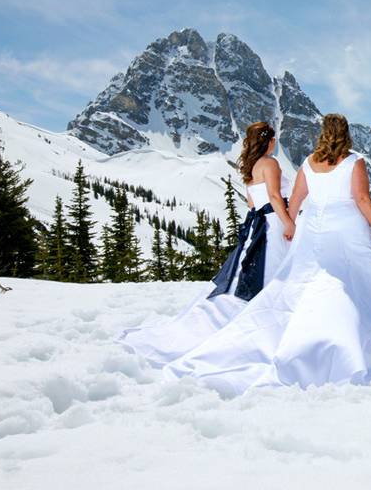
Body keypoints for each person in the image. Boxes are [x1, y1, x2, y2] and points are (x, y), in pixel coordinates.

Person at [164, 113, 371, 394]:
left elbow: (295, 198)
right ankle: (354, 350)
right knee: (356, 284)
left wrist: (291, 225)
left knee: (314, 282)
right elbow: (361, 198)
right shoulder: (353, 162)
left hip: (315, 231)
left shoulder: (309, 162)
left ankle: (313, 342)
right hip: (348, 231)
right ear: (346, 134)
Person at [118, 122, 293, 366]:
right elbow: (274, 197)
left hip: (257, 226)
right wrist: (289, 223)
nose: (275, 143)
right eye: (273, 139)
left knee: (253, 273)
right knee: (274, 274)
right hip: (272, 225)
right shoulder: (270, 163)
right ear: (268, 140)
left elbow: (252, 205)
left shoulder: (251, 168)